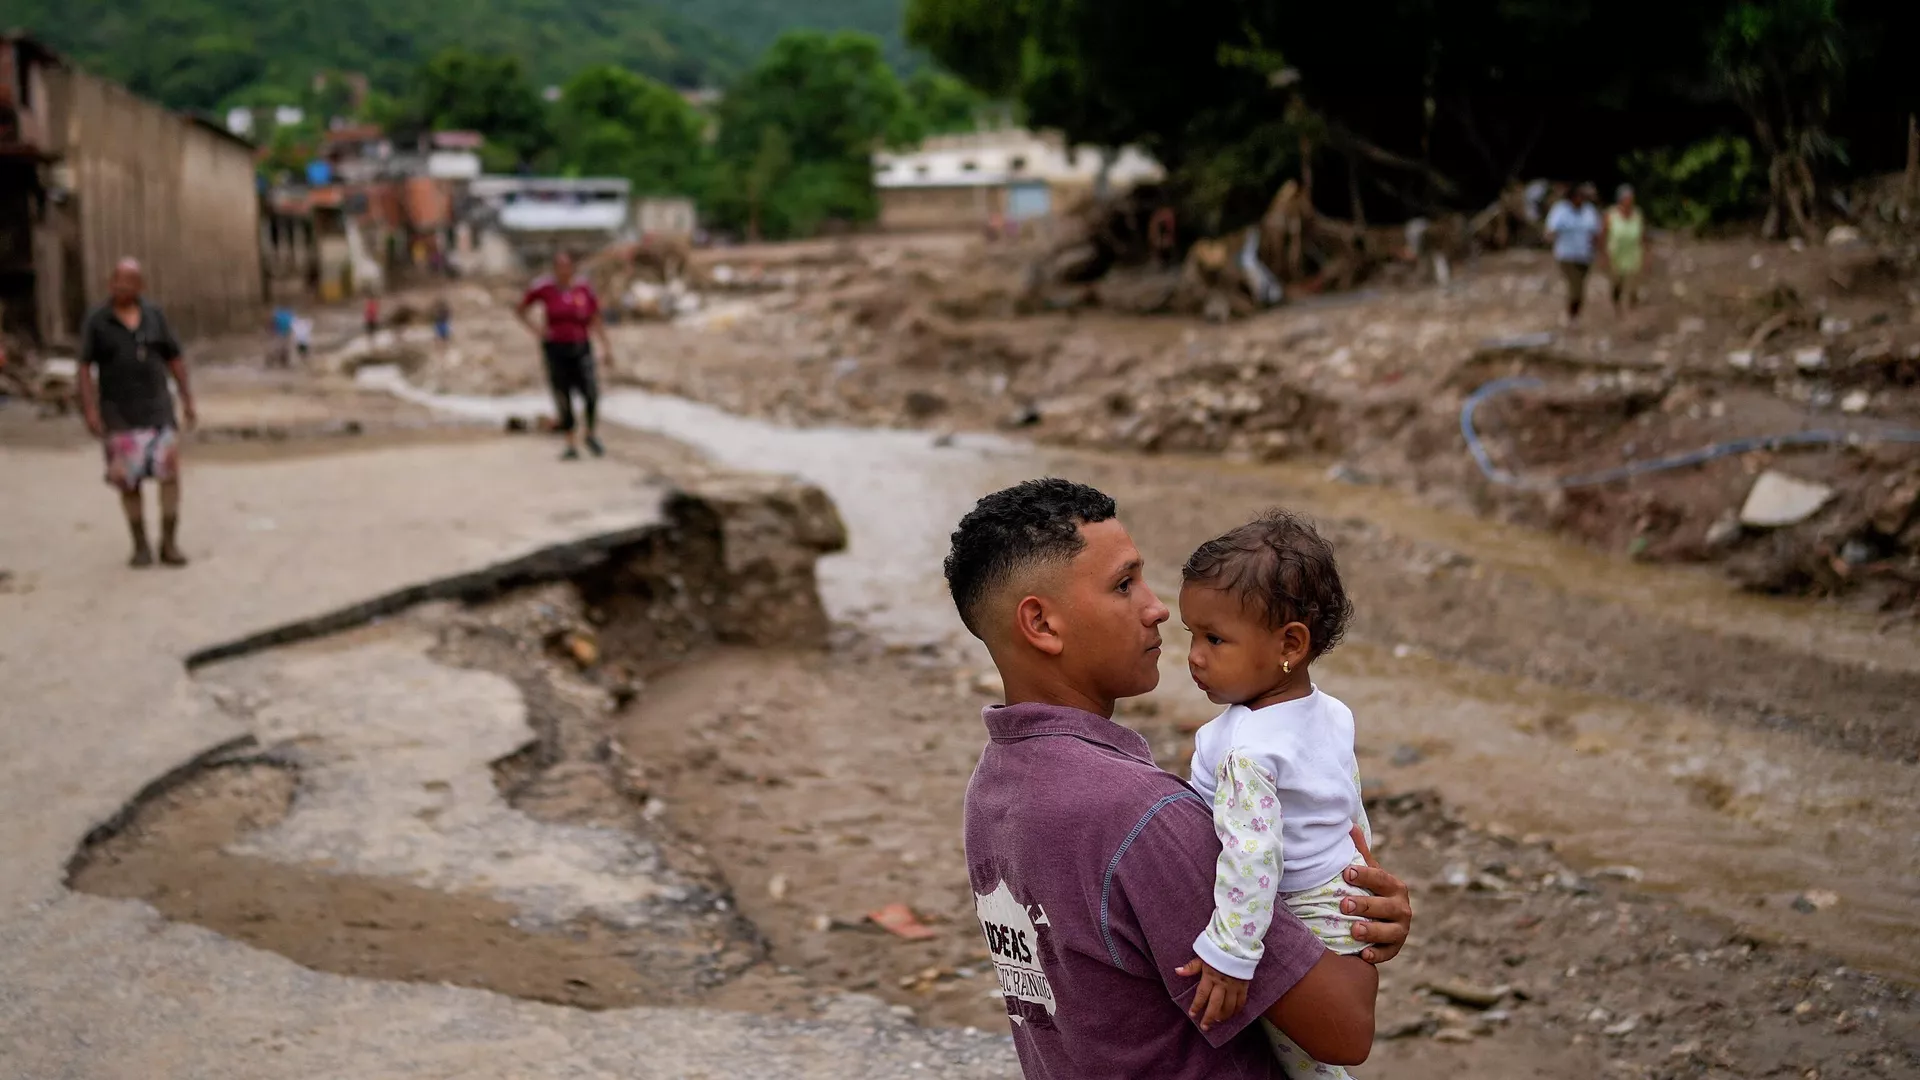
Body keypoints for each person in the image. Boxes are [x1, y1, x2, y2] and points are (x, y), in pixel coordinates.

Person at [945, 479, 1412, 1078]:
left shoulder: (993, 789)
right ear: (1042, 624)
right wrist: (1351, 927)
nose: (1158, 608)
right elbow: (1345, 1029)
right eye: (1124, 584)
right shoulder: (1144, 817)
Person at [1179, 511, 1374, 1079]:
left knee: (1301, 1062)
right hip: (1342, 899)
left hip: (1297, 911)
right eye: (1191, 635)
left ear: (1290, 644)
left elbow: (1252, 853)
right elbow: (1348, 803)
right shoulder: (1332, 713)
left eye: (1214, 639)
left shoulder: (1245, 748)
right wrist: (1365, 872)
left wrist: (1231, 955)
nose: (1194, 655)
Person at [77, 258, 197, 568]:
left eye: (129, 282)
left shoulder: (155, 316)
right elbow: (84, 367)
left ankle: (169, 543)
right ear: (110, 284)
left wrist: (187, 398)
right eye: (117, 281)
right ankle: (140, 545)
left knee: (169, 476)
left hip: (158, 410)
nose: (122, 287)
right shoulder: (98, 320)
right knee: (128, 481)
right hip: (118, 415)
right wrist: (89, 409)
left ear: (140, 286)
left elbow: (174, 358)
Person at [517, 250, 613, 460]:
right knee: (563, 394)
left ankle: (590, 434)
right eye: (559, 267)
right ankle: (570, 442)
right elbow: (521, 308)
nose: (563, 271)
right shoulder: (545, 288)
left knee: (591, 392)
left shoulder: (583, 289)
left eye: (566, 266)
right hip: (556, 348)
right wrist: (538, 331)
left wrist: (606, 346)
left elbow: (595, 317)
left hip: (581, 346)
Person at [1544, 182, 1602, 322]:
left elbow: (1596, 232)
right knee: (1574, 286)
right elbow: (1551, 230)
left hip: (1585, 256)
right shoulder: (1561, 210)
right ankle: (1571, 315)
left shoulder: (1589, 211)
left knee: (1580, 287)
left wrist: (1598, 249)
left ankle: (1575, 314)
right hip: (1567, 256)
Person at [1602, 184, 1647, 314]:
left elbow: (1642, 235)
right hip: (1616, 254)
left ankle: (1632, 308)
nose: (1629, 201)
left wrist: (1646, 253)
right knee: (1617, 282)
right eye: (1626, 198)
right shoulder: (1611, 214)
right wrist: (1603, 255)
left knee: (1633, 283)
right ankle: (1617, 305)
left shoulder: (1637, 214)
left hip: (1633, 253)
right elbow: (1603, 234)